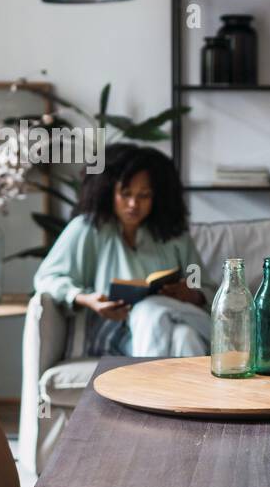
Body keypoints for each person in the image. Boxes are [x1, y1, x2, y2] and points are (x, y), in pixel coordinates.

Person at [33, 144, 211, 358]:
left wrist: (193, 293)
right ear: (108, 191)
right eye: (125, 194)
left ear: (158, 197)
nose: (133, 204)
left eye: (144, 195)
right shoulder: (88, 229)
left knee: (186, 336)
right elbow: (47, 278)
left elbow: (203, 283)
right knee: (151, 311)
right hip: (113, 331)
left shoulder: (175, 236)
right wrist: (85, 298)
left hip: (174, 320)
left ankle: (152, 389)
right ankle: (235, 347)